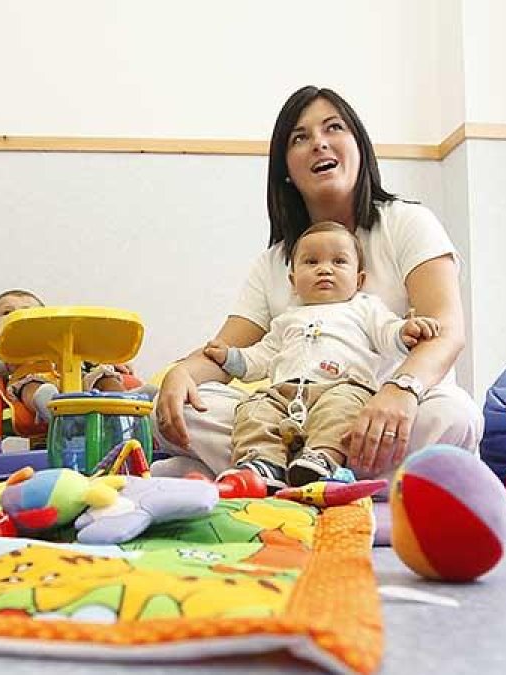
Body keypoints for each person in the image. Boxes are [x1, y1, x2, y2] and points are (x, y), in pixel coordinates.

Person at [154, 85, 483, 480]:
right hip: (289, 412)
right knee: (177, 407)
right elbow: (225, 352)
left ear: (359, 146)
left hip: (391, 409)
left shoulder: (406, 222)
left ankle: (265, 472)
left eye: (333, 128)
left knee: (455, 416)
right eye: (300, 137)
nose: (319, 143)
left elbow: (446, 331)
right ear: (286, 170)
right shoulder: (275, 262)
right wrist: (181, 374)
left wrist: (402, 389)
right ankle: (317, 472)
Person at [202, 221, 440, 489]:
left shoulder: (365, 308)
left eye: (339, 261)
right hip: (284, 392)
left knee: (342, 410)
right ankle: (263, 462)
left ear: (359, 280)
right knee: (253, 408)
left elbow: (387, 331)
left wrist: (406, 331)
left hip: (342, 387)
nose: (324, 269)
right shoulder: (286, 319)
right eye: (311, 262)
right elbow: (262, 356)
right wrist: (230, 358)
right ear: (293, 281)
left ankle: (322, 458)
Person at [0, 289, 129, 422]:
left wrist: (108, 361)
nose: (18, 317)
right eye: (7, 313)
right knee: (33, 387)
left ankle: (127, 404)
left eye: (28, 313)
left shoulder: (58, 342)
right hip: (33, 382)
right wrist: (6, 360)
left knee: (104, 377)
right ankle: (57, 415)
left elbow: (86, 355)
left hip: (80, 385)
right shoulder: (0, 347)